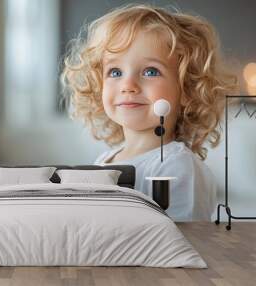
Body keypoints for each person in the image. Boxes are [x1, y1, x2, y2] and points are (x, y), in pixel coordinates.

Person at [61, 4, 237, 221]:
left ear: (187, 89)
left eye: (150, 71)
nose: (128, 85)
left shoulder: (178, 167)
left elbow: (182, 242)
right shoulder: (105, 160)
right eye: (115, 71)